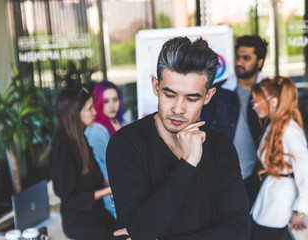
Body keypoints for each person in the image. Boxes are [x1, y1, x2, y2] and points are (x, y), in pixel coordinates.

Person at [106, 37, 250, 240]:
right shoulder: (125, 144)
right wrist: (188, 163)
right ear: (156, 86)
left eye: (192, 98)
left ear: (208, 96)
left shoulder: (220, 147)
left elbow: (239, 229)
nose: (178, 109)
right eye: (170, 95)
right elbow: (142, 229)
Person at [201, 35, 269, 208]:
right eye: (238, 57)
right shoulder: (218, 91)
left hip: (257, 175)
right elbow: (204, 132)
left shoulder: (270, 94)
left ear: (259, 62)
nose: (240, 62)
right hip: (222, 175)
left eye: (246, 58)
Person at [250, 76, 308, 240]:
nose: (254, 107)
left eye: (256, 102)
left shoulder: (289, 131)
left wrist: (300, 211)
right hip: (271, 196)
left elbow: (307, 172)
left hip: (280, 203)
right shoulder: (274, 125)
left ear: (273, 101)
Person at [49, 87, 116, 240]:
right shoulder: (62, 148)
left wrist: (109, 182)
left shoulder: (80, 140)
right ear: (75, 113)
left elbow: (89, 180)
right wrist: (108, 190)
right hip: (80, 222)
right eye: (89, 108)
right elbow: (70, 197)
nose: (95, 112)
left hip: (97, 214)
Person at [85, 80, 125, 219]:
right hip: (109, 194)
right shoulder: (97, 130)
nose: (112, 105)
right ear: (98, 103)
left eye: (115, 99)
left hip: (121, 188)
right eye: (106, 101)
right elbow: (116, 163)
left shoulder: (120, 121)